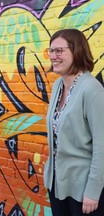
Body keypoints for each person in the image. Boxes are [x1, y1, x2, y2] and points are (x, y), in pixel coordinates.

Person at [44, 28, 104, 216]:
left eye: (59, 51)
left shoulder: (92, 90)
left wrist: (93, 192)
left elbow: (102, 146)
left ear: (77, 51)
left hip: (84, 190)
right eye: (51, 51)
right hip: (58, 185)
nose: (53, 56)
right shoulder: (58, 86)